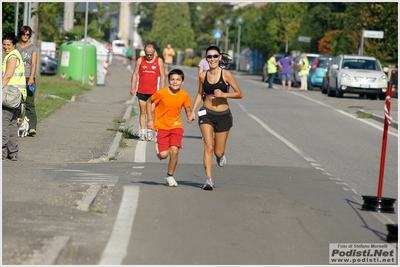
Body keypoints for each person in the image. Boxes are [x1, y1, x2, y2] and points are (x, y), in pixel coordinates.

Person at [189, 45, 243, 190]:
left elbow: (239, 93)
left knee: (218, 151)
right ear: (206, 59)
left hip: (223, 115)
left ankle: (220, 156)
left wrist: (224, 94)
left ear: (219, 58)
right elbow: (200, 94)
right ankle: (209, 179)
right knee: (208, 146)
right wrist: (193, 111)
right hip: (206, 113)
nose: (212, 59)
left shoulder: (226, 75)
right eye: (209, 56)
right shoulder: (202, 75)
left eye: (215, 56)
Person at [146, 69, 193, 187]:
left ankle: (170, 176)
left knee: (174, 152)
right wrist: (150, 120)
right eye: (172, 80)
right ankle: (160, 149)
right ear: (169, 81)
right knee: (163, 155)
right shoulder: (161, 93)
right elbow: (149, 101)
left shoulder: (184, 95)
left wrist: (189, 115)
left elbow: (187, 108)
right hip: (161, 126)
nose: (175, 82)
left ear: (182, 82)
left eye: (178, 80)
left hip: (176, 127)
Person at [130, 44, 165, 141]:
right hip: (142, 90)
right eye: (147, 54)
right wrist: (133, 87)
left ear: (154, 52)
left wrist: (162, 89)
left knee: (152, 111)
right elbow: (135, 74)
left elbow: (162, 76)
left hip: (154, 92)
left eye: (151, 54)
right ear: (144, 52)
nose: (149, 56)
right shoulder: (140, 60)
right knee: (143, 111)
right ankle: (142, 132)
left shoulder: (159, 61)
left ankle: (150, 132)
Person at [2, 32, 26, 161]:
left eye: (8, 45)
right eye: (4, 44)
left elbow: (8, 75)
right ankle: (13, 152)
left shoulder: (12, 57)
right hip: (17, 95)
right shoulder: (14, 55)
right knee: (12, 124)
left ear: (14, 45)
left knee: (3, 123)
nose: (6, 47)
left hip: (10, 95)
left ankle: (2, 151)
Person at [16, 25, 38, 136]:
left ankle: (31, 127)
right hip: (17, 78)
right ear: (20, 34)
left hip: (28, 77)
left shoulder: (33, 48)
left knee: (29, 102)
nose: (26, 36)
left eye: (28, 34)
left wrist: (31, 78)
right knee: (16, 102)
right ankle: (16, 125)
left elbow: (33, 64)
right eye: (24, 34)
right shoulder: (16, 47)